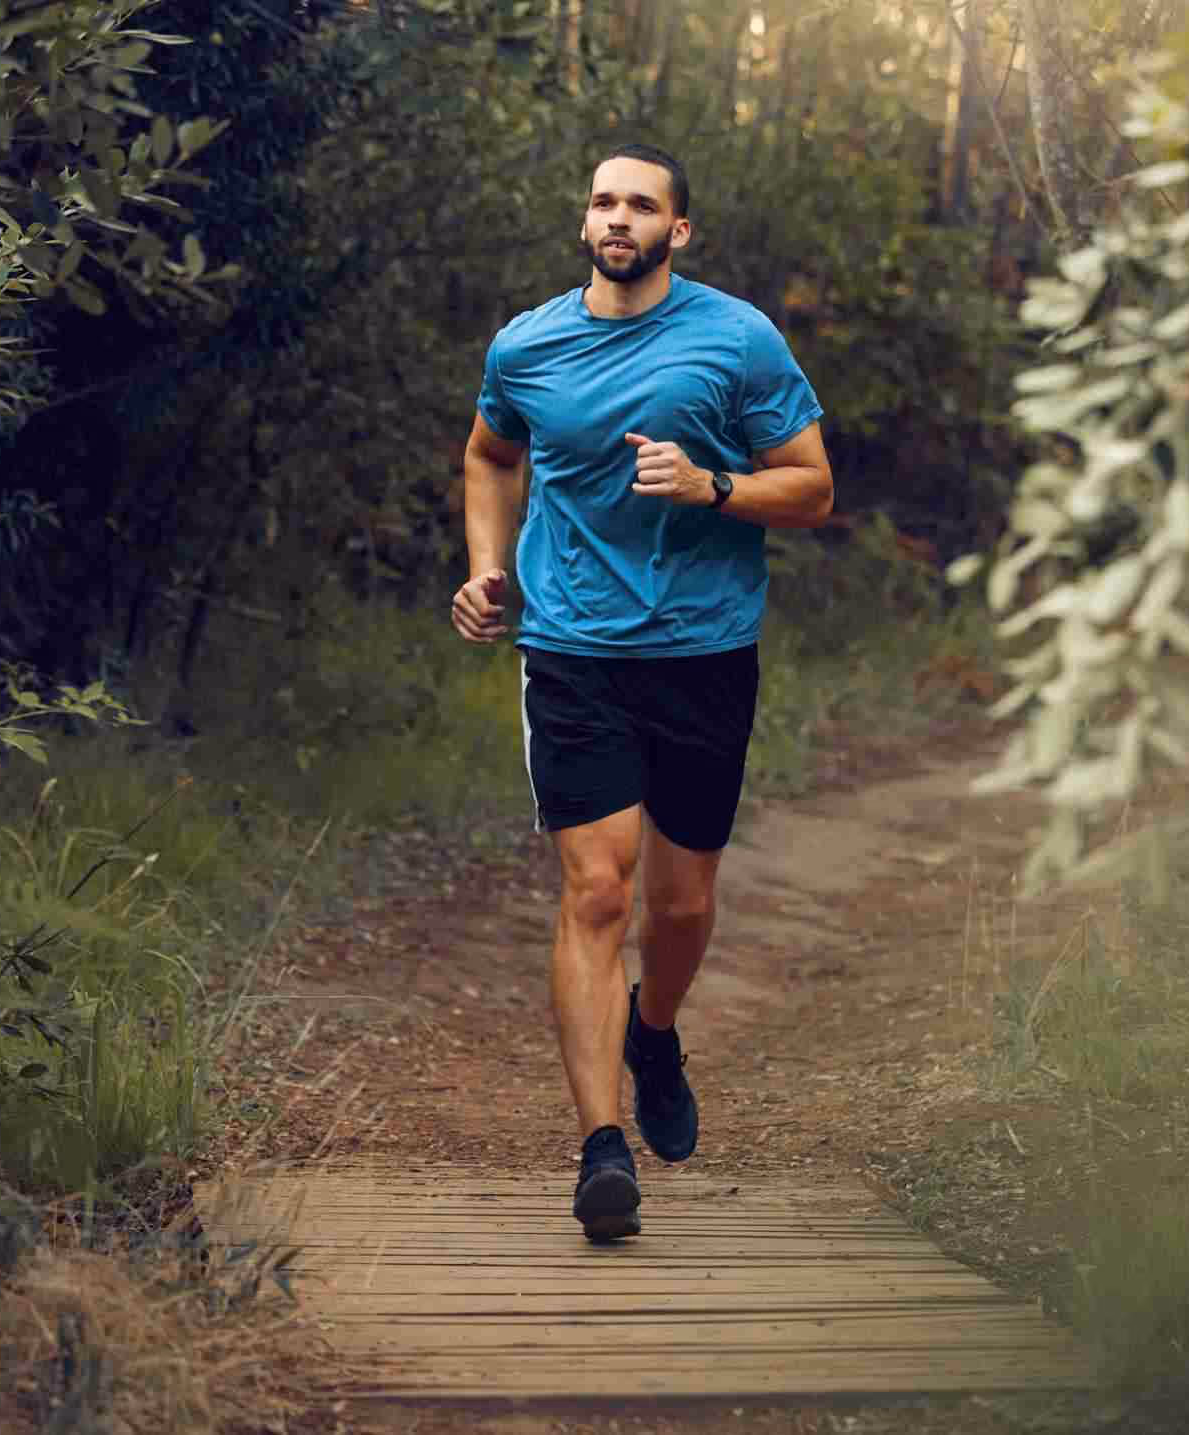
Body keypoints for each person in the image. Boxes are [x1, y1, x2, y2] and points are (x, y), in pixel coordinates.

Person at [449, 143, 834, 1240]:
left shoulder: (737, 338)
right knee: (598, 892)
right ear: (585, 225)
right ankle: (600, 1148)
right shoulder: (526, 345)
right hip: (572, 648)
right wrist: (488, 564)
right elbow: (490, 456)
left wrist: (713, 485)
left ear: (679, 231)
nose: (619, 219)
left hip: (705, 650)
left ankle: (652, 1029)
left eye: (642, 205)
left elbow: (811, 487)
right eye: (603, 203)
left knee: (680, 905)